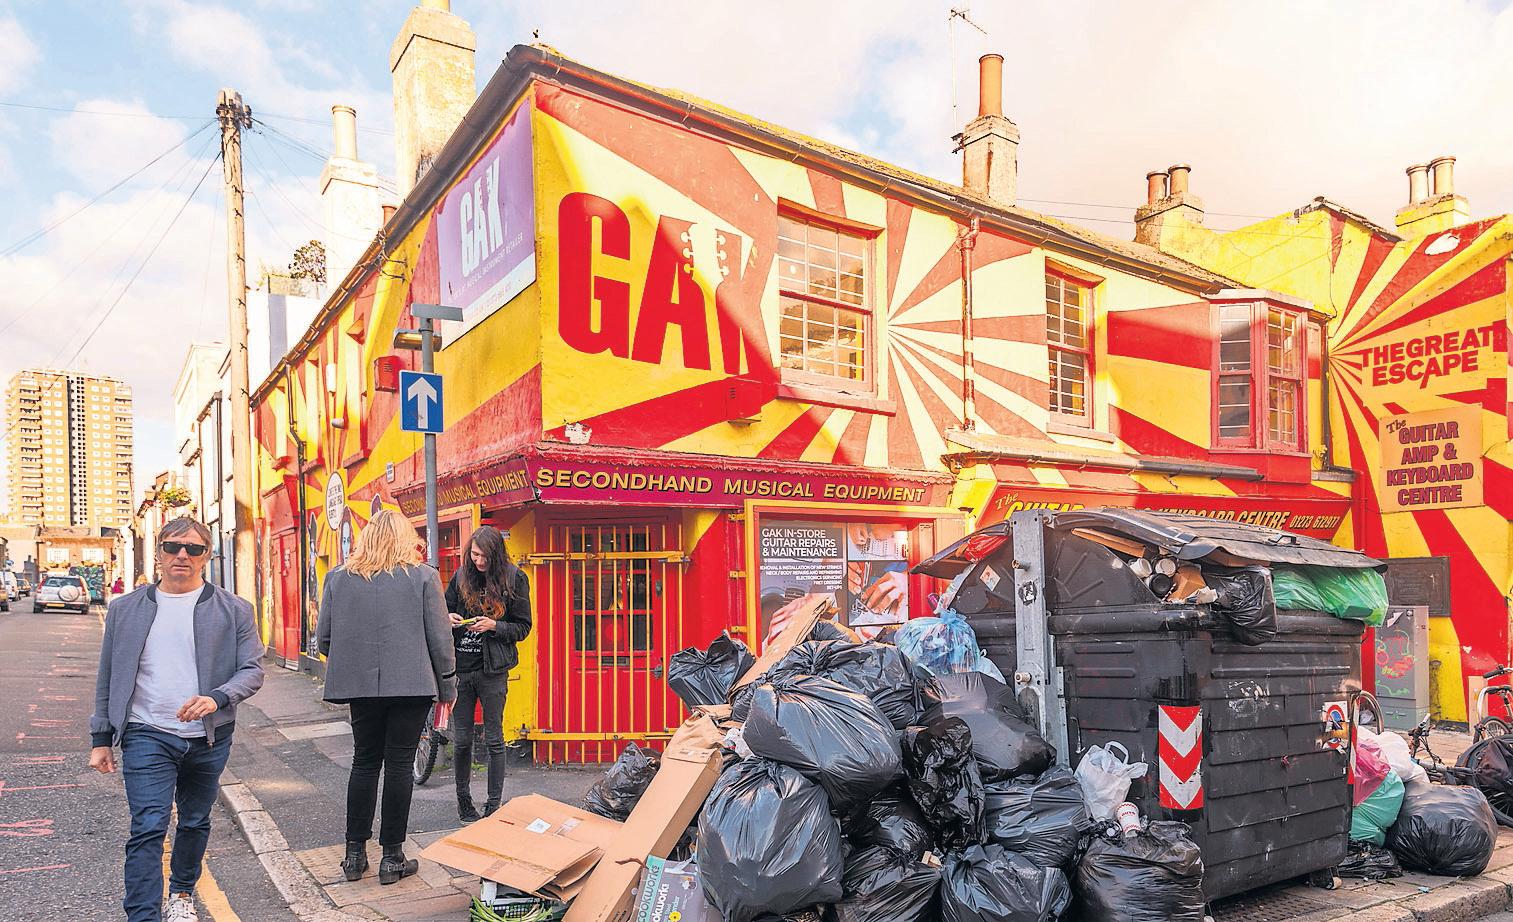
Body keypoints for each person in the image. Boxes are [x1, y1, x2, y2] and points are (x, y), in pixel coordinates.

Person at [89, 517, 265, 922]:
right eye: (172, 547)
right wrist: (101, 738)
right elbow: (108, 676)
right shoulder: (124, 610)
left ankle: (182, 894)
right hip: (146, 732)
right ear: (159, 553)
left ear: (206, 556)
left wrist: (217, 698)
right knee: (148, 825)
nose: (182, 555)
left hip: (209, 737)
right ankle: (142, 915)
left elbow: (252, 670)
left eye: (193, 548)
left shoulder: (234, 609)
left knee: (195, 820)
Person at [317, 510, 456, 885]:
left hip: (361, 687)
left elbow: (324, 639)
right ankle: (392, 858)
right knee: (399, 766)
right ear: (405, 538)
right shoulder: (423, 577)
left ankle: (354, 856)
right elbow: (440, 640)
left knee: (364, 762)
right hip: (411, 685)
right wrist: (448, 687)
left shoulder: (338, 578)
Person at [445, 525, 532, 822]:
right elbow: (441, 612)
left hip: (492, 670)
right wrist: (448, 617)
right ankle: (463, 801)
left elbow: (523, 627)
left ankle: (493, 805)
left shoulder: (515, 578)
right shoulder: (461, 576)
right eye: (474, 554)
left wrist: (495, 626)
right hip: (461, 669)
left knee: (495, 738)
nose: (479, 561)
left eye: (484, 556)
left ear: (496, 555)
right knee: (462, 740)